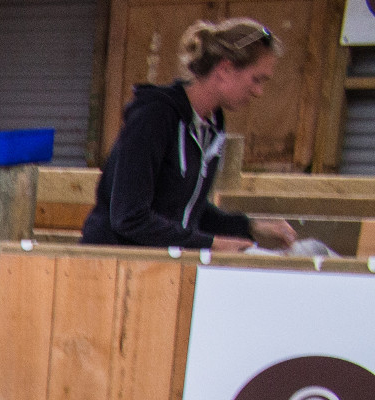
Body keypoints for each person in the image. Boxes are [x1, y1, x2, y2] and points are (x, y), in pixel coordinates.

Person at [81, 18, 297, 252]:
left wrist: (250, 226)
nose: (258, 92)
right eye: (256, 79)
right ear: (225, 69)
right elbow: (129, 217)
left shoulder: (211, 125)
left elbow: (184, 207)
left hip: (166, 265)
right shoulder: (155, 117)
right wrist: (211, 244)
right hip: (114, 264)